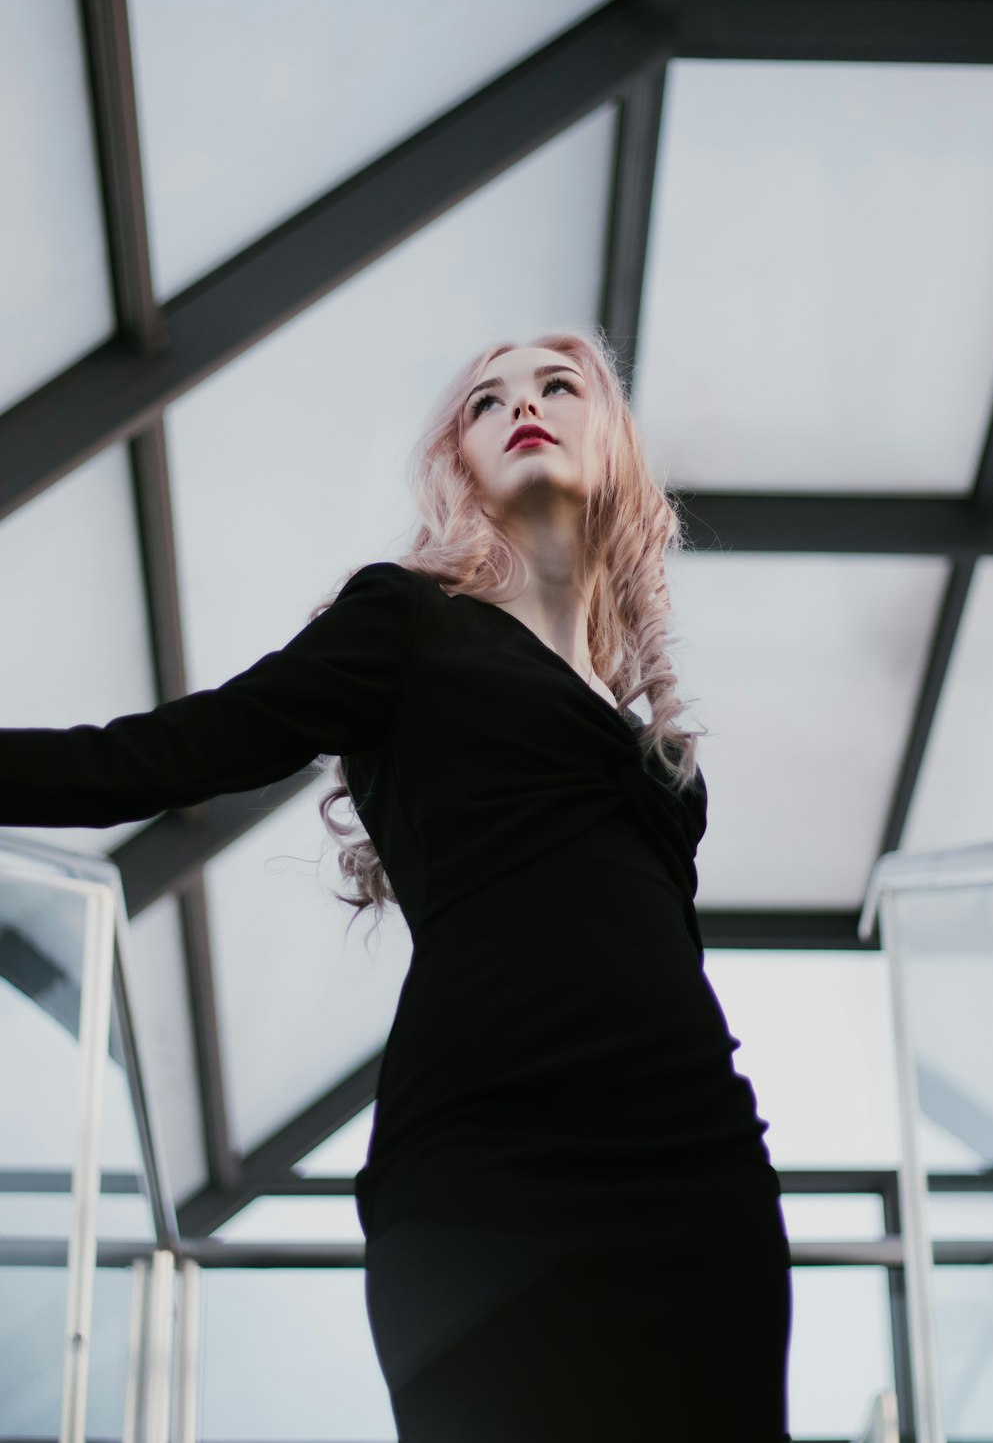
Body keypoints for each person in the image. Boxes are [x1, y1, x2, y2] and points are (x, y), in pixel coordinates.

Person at [0, 328, 792, 1439]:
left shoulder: (658, 748)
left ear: (610, 440)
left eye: (559, 386)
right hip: (485, 1159)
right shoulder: (406, 623)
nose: (524, 403)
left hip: (694, 1160)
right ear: (457, 459)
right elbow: (161, 753)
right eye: (486, 400)